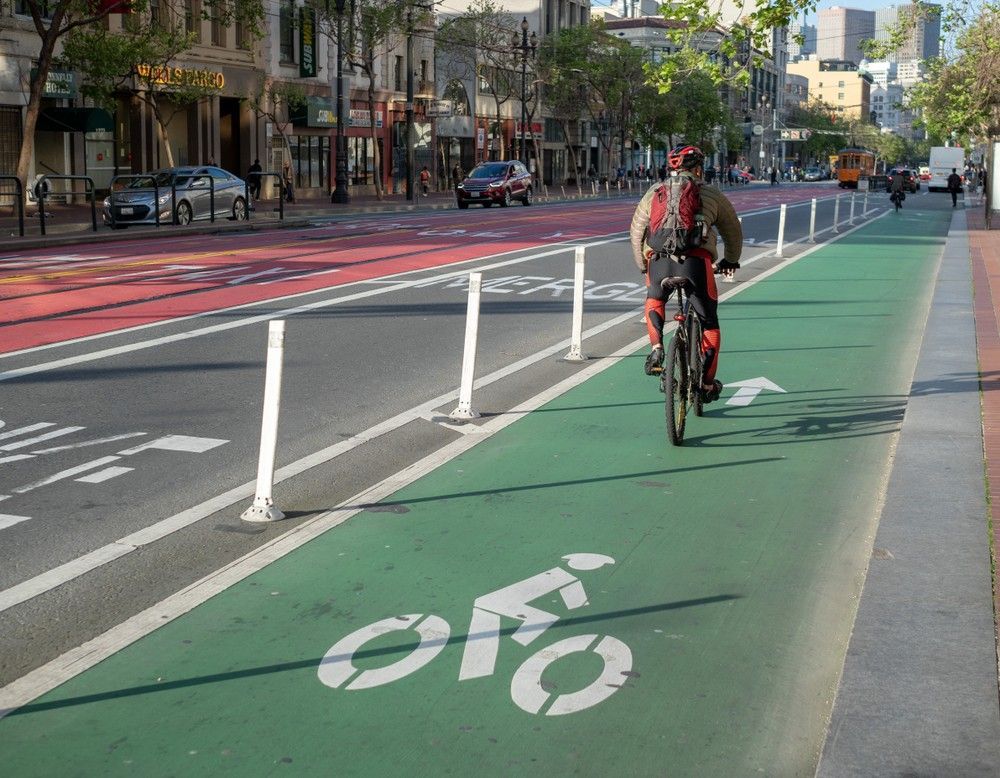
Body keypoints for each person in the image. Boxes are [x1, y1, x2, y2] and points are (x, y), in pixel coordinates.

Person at [629, 144, 743, 404]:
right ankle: (705, 384)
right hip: (696, 265)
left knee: (654, 299)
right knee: (710, 323)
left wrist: (643, 265)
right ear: (699, 169)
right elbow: (733, 232)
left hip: (658, 262)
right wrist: (731, 260)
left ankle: (657, 349)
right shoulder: (711, 193)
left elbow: (636, 232)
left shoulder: (654, 193)